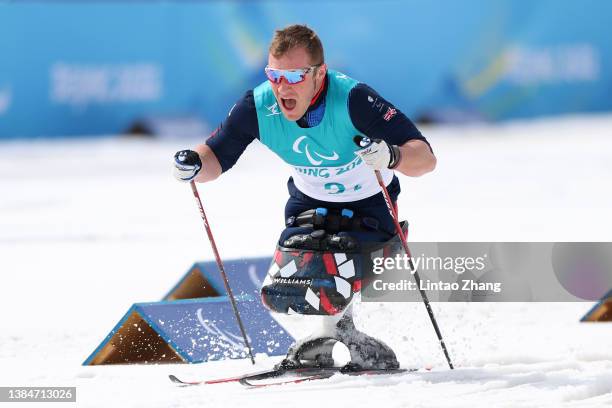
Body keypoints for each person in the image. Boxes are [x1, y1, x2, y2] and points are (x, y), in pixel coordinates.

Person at [173, 24, 436, 370]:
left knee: (338, 261)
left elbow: (425, 158)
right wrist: (192, 164)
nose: (282, 87)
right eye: (274, 75)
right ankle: (328, 337)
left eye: (295, 76)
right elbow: (214, 157)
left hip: (369, 204)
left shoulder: (354, 100)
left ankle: (354, 342)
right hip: (308, 204)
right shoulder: (258, 105)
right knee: (284, 290)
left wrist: (392, 157)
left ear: (319, 73)